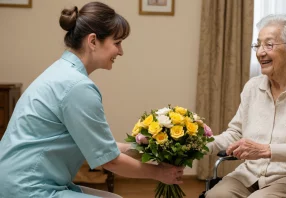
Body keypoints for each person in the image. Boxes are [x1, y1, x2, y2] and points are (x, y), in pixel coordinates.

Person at [0, 2, 183, 198]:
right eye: (117, 42)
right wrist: (160, 173)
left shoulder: (62, 72)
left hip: (17, 181)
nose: (121, 51)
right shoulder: (77, 86)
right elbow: (110, 161)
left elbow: (102, 148)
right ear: (93, 41)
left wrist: (143, 145)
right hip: (27, 188)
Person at [205, 14, 286, 198]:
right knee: (215, 196)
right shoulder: (252, 87)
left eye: (269, 45)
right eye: (258, 45)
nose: (260, 52)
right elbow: (235, 134)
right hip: (249, 176)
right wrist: (199, 144)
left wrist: (268, 150)